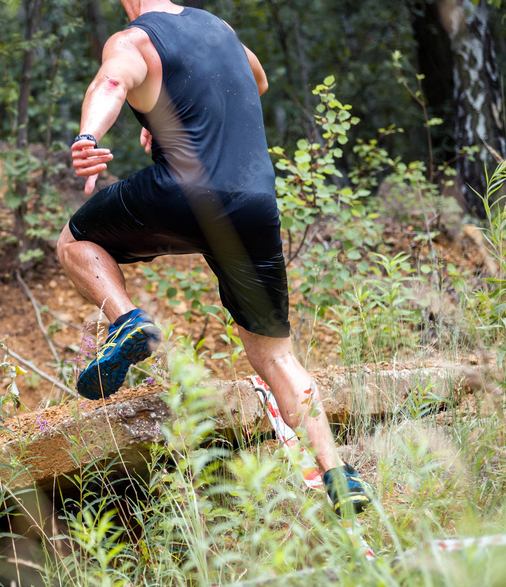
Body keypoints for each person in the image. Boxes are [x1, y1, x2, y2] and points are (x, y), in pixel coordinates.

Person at [56, 0, 371, 516]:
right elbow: (257, 79)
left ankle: (128, 322)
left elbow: (111, 84)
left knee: (73, 242)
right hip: (254, 204)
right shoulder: (220, 30)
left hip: (180, 194)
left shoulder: (134, 40)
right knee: (276, 356)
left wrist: (89, 136)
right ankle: (337, 474)